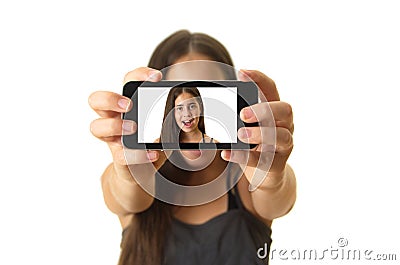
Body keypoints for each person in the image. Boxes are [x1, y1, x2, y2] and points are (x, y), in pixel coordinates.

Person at [89, 30, 296, 265]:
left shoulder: (246, 177)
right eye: (179, 95)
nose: (188, 112)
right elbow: (122, 192)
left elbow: (277, 193)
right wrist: (129, 174)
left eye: (204, 93)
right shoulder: (139, 177)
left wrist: (271, 174)